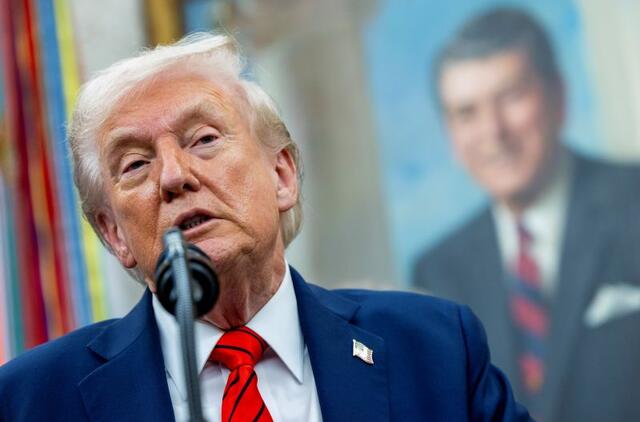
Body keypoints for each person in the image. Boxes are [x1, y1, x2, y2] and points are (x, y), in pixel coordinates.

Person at [0, 33, 528, 421]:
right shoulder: (32, 401)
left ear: (282, 175)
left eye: (204, 139)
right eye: (136, 164)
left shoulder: (434, 350)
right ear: (114, 234)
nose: (174, 176)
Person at [413, 7, 640, 422]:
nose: (493, 132)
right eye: (467, 113)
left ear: (558, 97)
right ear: (450, 135)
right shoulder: (437, 274)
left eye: (511, 97)